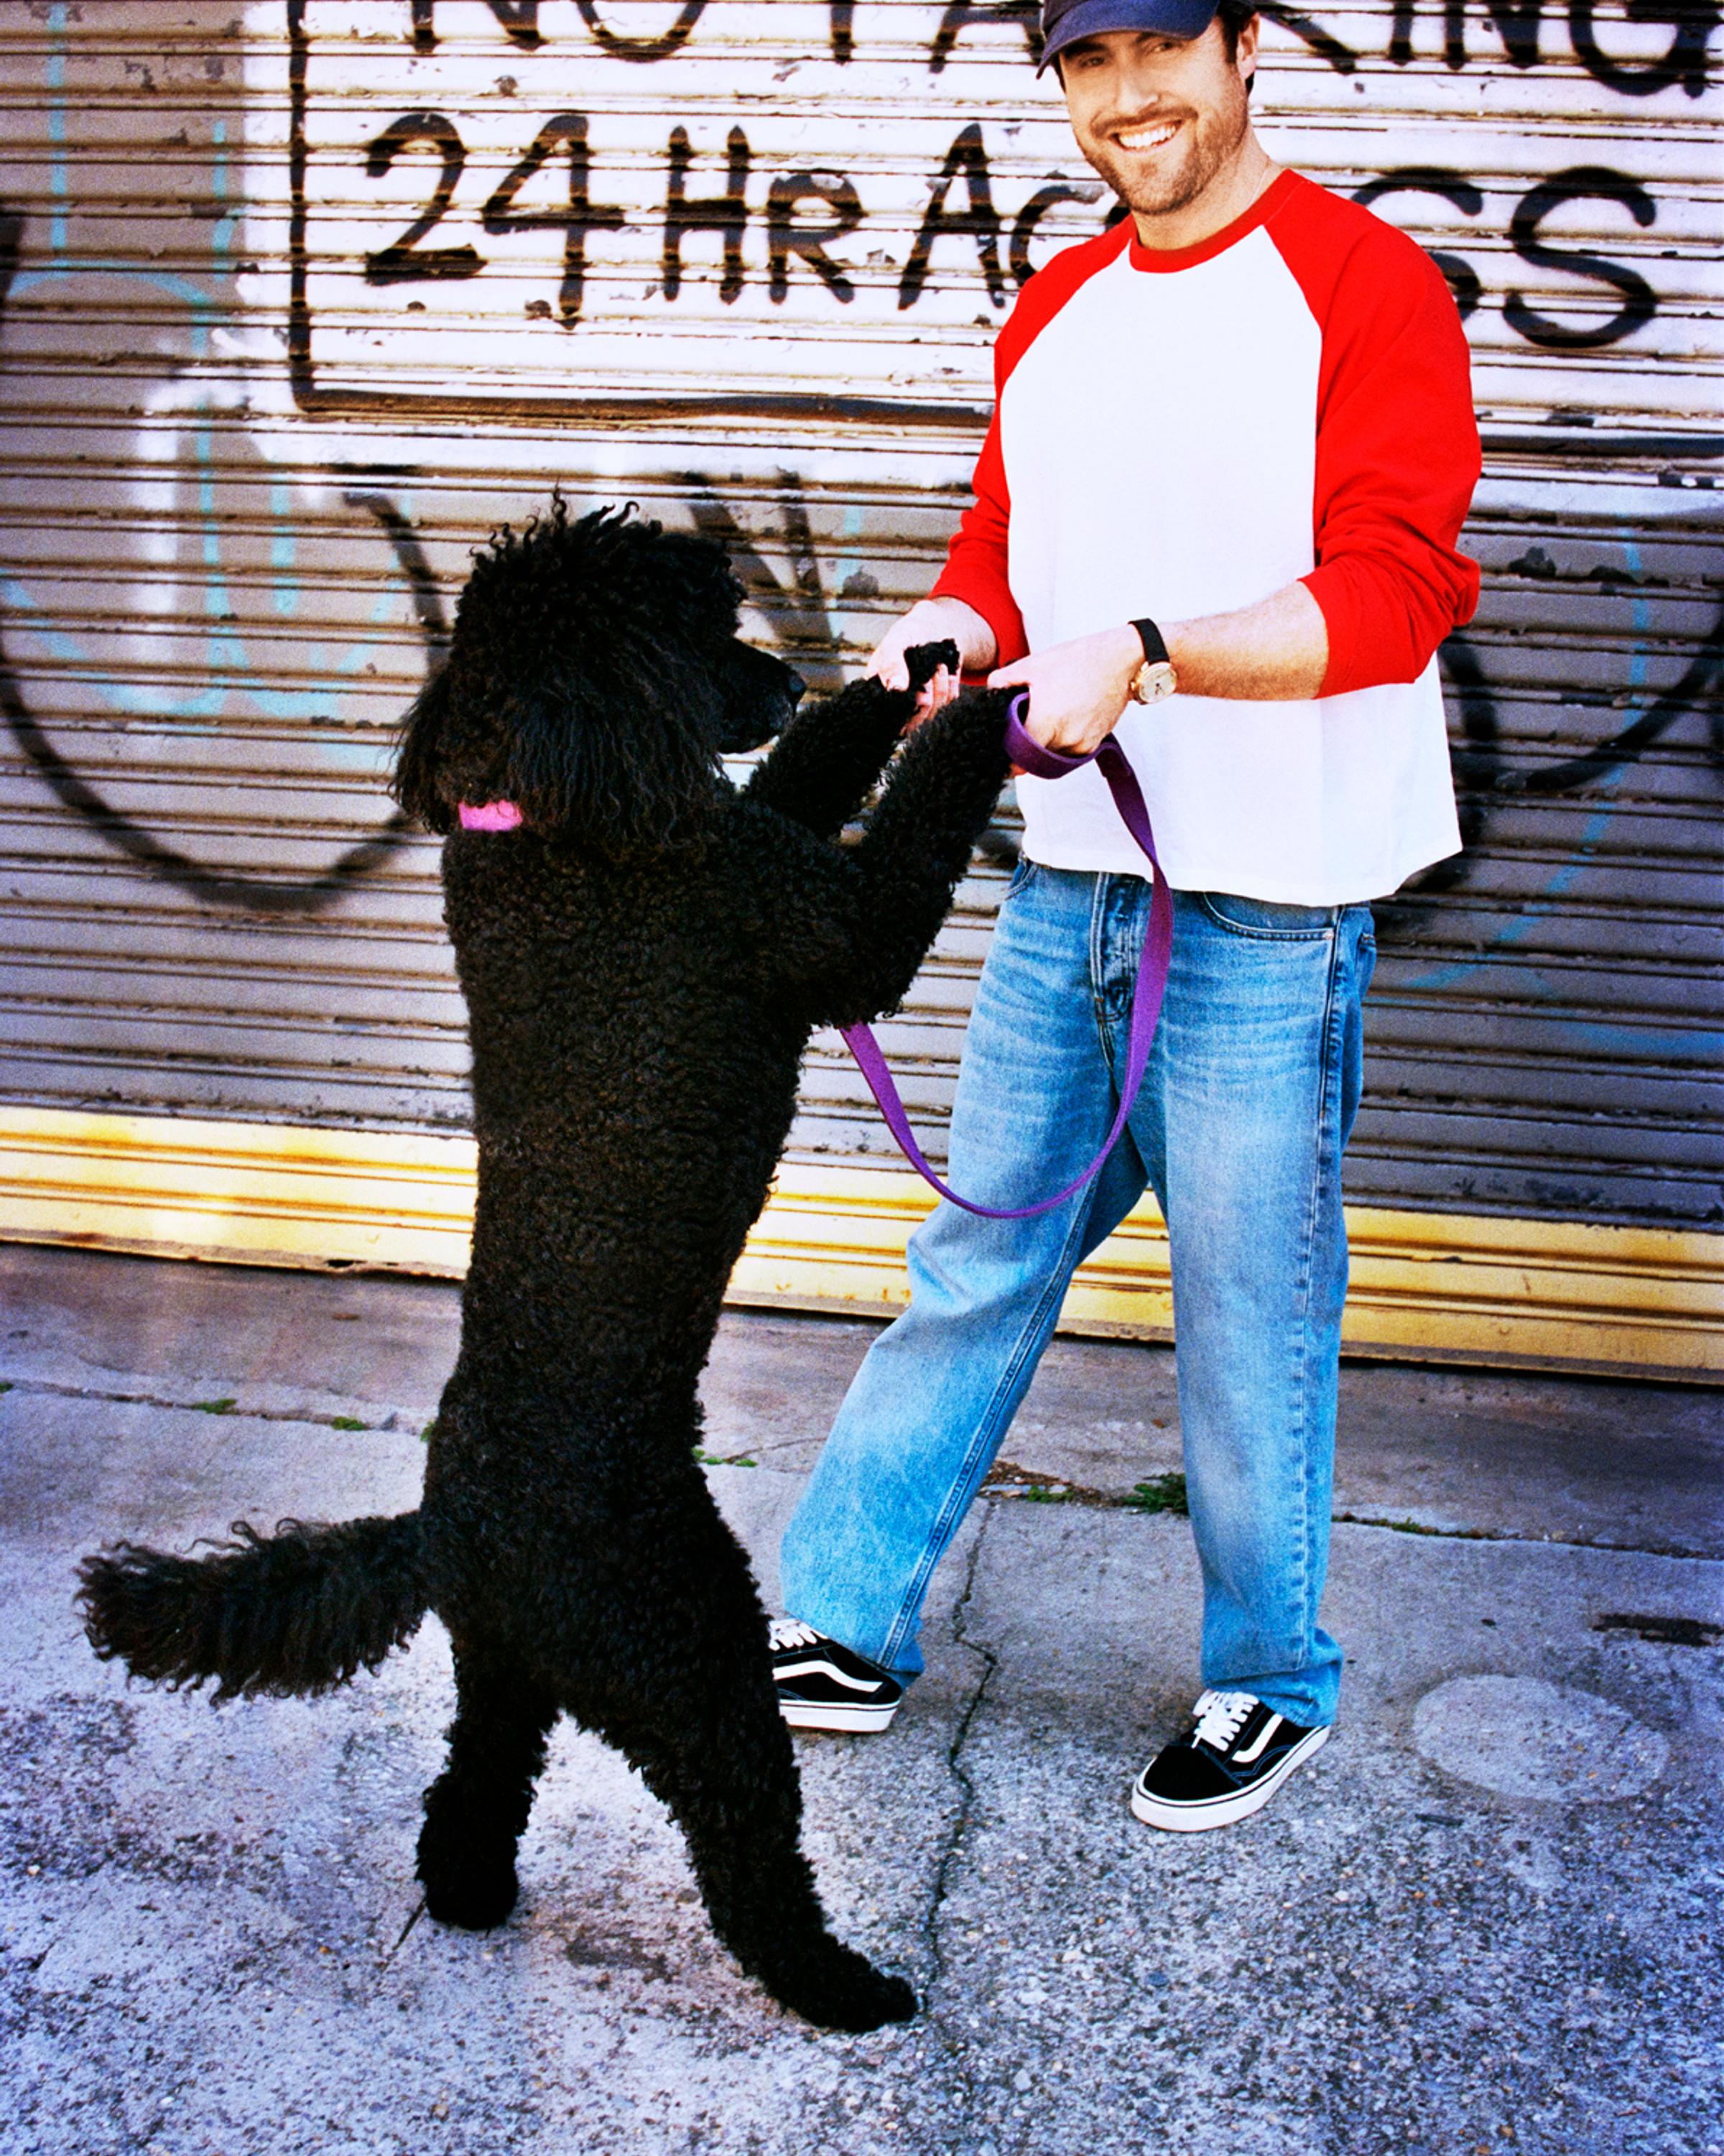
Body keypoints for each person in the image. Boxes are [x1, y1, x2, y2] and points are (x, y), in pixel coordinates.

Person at [769, 0, 1481, 1831]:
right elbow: (1009, 553)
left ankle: (1269, 1678)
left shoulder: (1367, 286)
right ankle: (843, 1617)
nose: (1126, 99)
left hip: (1269, 912)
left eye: (1161, 50)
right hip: (1071, 890)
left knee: (1248, 1310)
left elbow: (1396, 592)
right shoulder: (1056, 305)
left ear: (1247, 48)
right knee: (980, 1256)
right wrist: (957, 631)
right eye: (1086, 65)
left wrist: (1152, 658)